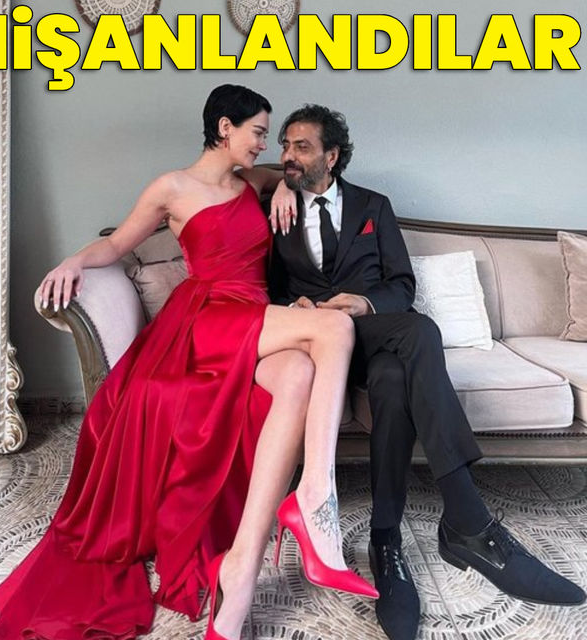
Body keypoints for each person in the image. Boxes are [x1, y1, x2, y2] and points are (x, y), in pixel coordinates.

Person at [0, 86, 378, 640]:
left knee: (299, 372)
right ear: (225, 128)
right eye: (258, 133)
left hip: (253, 313)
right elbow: (116, 245)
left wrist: (286, 186)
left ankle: (239, 572)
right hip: (207, 314)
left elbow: (290, 176)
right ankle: (316, 497)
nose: (265, 145)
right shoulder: (171, 187)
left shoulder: (253, 181)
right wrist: (72, 262)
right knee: (335, 326)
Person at [268, 104, 586, 640]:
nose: (288, 156)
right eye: (284, 146)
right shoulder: (275, 208)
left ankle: (385, 540)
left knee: (398, 367)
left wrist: (364, 304)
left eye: (302, 147)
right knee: (418, 336)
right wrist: (292, 306)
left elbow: (401, 284)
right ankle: (467, 520)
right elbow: (268, 284)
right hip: (318, 343)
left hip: (373, 332)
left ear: (332, 155)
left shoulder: (374, 206)